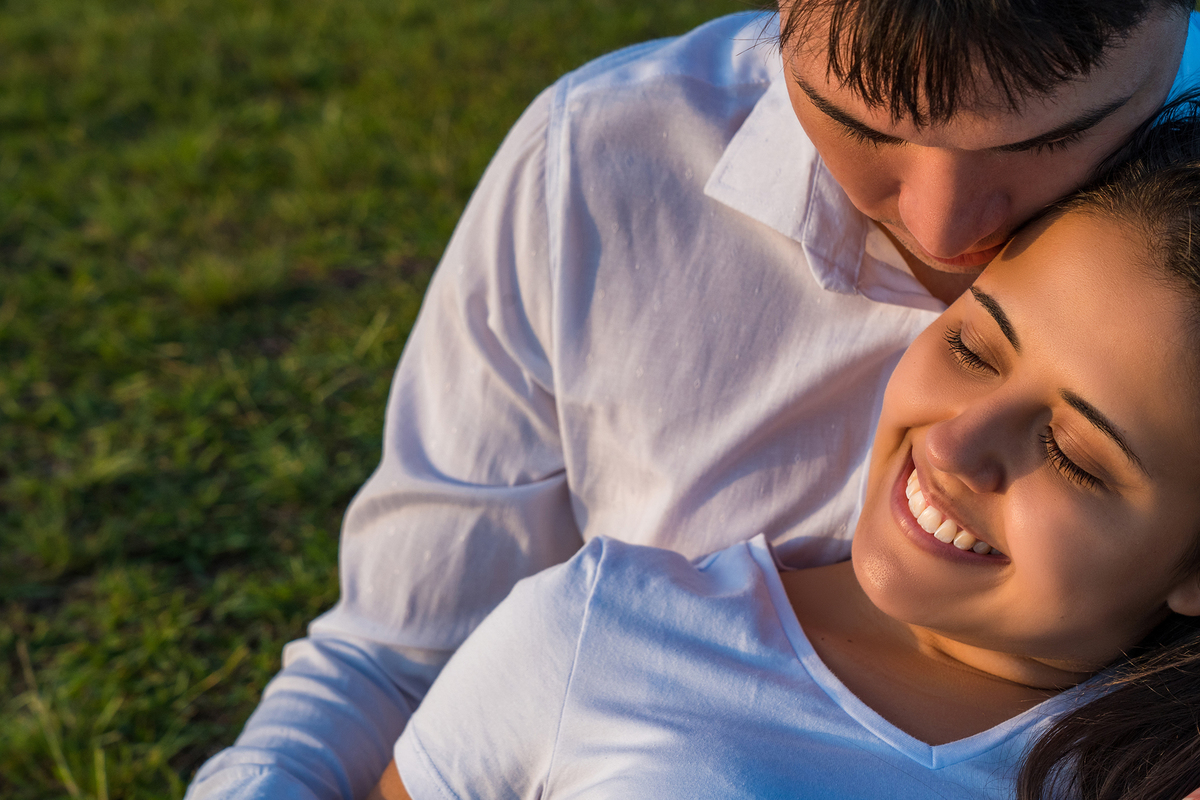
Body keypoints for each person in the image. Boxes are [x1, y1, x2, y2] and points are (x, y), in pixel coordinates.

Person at [186, 2, 1200, 798]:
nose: (942, 228)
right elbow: (404, 649)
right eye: (855, 121)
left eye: (1045, 141)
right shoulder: (600, 161)